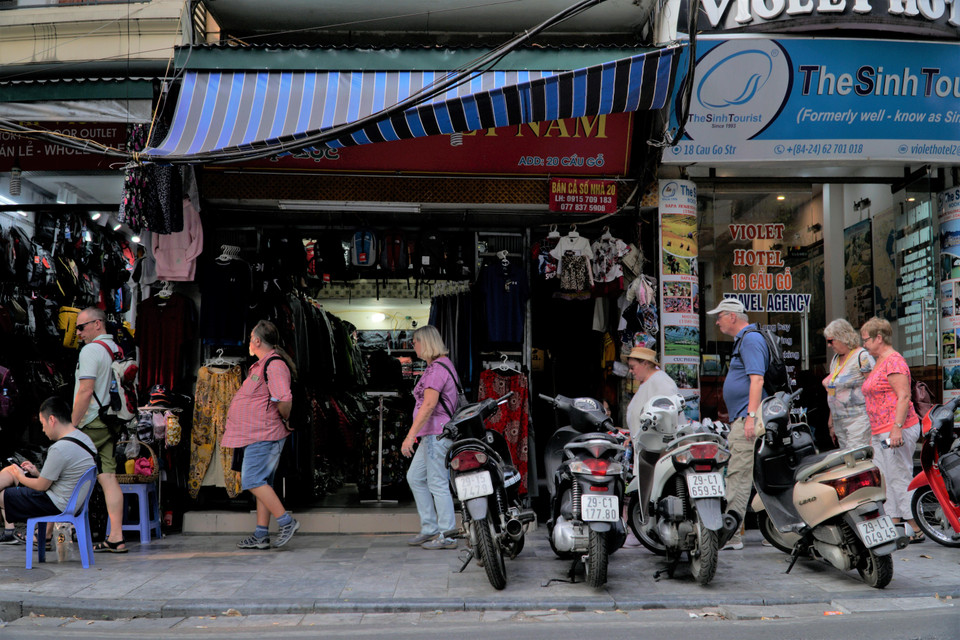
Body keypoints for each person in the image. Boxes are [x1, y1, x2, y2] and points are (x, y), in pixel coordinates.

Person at [221, 320, 300, 549]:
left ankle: (286, 522)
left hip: (265, 434)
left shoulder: (274, 365)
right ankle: (260, 535)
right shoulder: (263, 364)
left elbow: (284, 399)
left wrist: (284, 419)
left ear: (257, 341)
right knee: (263, 483)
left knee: (253, 480)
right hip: (257, 434)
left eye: (250, 339)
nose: (248, 343)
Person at [707, 298, 768, 551]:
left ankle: (731, 535)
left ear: (732, 316)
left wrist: (751, 417)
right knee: (751, 476)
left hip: (747, 418)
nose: (717, 321)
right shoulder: (745, 340)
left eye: (719, 316)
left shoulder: (750, 339)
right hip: (745, 417)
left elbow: (757, 380)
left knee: (739, 475)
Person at [859, 317, 924, 543]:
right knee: (885, 477)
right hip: (881, 430)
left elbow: (904, 396)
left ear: (879, 338)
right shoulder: (879, 360)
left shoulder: (893, 361)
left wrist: (896, 429)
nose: (863, 343)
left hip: (895, 428)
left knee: (899, 476)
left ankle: (916, 526)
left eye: (866, 339)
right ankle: (895, 523)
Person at [0, 397, 97, 543]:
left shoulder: (60, 448)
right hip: (71, 500)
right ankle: (38, 533)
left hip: (57, 503)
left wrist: (19, 475)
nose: (43, 430)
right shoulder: (84, 439)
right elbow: (62, 477)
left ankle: (16, 531)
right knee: (10, 474)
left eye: (43, 424)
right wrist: (36, 473)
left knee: (2, 495)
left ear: (52, 420)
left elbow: (41, 486)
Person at [71, 307, 127, 553]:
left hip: (91, 421)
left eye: (81, 327)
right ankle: (116, 537)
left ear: (97, 324)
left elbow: (85, 389)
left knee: (65, 473)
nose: (78, 332)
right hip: (111, 420)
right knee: (108, 477)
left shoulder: (91, 350)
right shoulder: (115, 348)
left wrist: (72, 425)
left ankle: (49, 534)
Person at [401, 325, 458, 550]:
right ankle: (430, 527)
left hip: (436, 434)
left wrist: (409, 436)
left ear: (426, 342)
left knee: (437, 483)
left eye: (415, 341)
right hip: (431, 435)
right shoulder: (438, 366)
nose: (413, 345)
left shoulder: (436, 369)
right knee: (415, 477)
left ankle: (447, 534)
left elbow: (429, 405)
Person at [822, 319, 874, 449]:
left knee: (856, 458)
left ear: (842, 337)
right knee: (847, 460)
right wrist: (831, 421)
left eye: (831, 341)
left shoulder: (862, 356)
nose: (829, 345)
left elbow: (873, 389)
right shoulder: (835, 359)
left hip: (858, 419)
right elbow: (833, 391)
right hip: (839, 420)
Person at [624, 346, 680, 441]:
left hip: (659, 449)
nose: (630, 371)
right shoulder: (646, 382)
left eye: (632, 367)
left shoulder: (661, 381)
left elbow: (669, 420)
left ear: (645, 363)